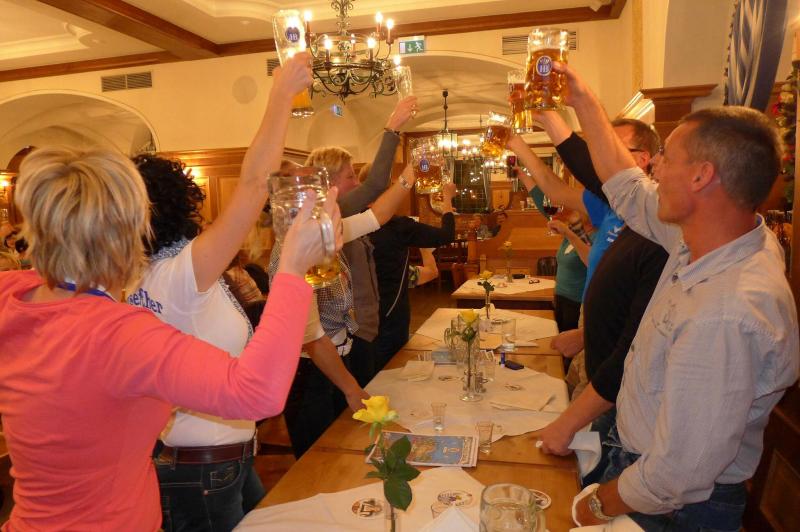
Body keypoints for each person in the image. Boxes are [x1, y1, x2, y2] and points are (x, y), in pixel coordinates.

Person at [0, 145, 338, 531]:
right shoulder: (117, 333)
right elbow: (258, 392)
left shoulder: (12, 295)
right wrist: (293, 268)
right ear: (126, 234)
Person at [557, 61, 799, 531]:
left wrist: (590, 508)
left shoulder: (727, 311)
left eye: (666, 156)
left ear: (701, 177)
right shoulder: (711, 236)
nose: (654, 166)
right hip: (640, 473)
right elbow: (627, 188)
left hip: (674, 511)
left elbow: (676, 476)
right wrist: (583, 102)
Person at [127, 54, 314, 531]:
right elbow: (253, 185)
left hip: (211, 461)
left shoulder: (141, 274)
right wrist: (281, 96)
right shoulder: (179, 273)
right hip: (202, 471)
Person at [268, 164, 419, 458]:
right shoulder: (287, 255)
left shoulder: (320, 234)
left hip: (336, 361)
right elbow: (311, 337)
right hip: (310, 374)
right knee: (321, 461)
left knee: (348, 448)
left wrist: (411, 173)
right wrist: (351, 388)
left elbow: (377, 217)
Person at [313, 96, 417, 388]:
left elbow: (378, 215)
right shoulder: (333, 214)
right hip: (349, 335)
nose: (357, 183)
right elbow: (375, 186)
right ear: (330, 185)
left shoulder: (340, 219)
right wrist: (392, 128)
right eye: (350, 176)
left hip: (365, 330)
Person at [371, 181, 457, 369]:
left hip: (361, 319)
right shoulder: (397, 226)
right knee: (391, 369)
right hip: (392, 315)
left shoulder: (352, 222)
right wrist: (447, 198)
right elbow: (447, 235)